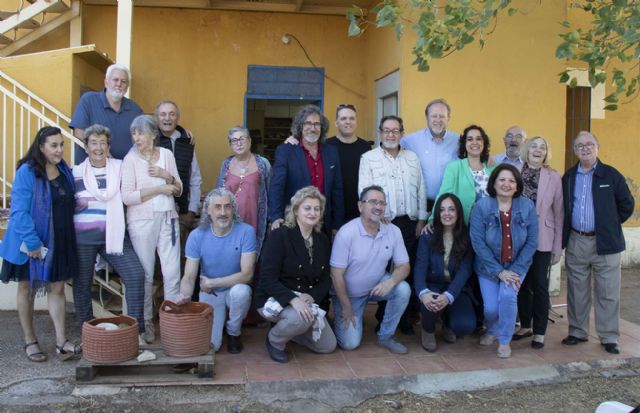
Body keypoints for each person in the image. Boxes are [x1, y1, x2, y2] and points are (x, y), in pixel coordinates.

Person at [0, 126, 81, 361]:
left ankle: (60, 341)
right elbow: (19, 213)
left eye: (61, 145)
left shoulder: (63, 169)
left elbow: (66, 200)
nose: (59, 150)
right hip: (31, 243)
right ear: (41, 147)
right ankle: (30, 340)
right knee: (27, 289)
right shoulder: (27, 171)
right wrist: (34, 243)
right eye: (54, 145)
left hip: (59, 242)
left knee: (57, 288)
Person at [561, 131, 634, 354]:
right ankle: (577, 331)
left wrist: (608, 225)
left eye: (589, 144)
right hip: (577, 240)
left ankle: (609, 336)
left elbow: (626, 204)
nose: (585, 148)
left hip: (606, 243)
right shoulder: (569, 176)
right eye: (580, 145)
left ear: (597, 147)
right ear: (574, 150)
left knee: (608, 291)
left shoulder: (611, 175)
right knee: (577, 290)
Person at [71, 124, 146, 341]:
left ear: (109, 145)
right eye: (93, 143)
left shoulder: (120, 167)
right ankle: (88, 333)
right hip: (82, 239)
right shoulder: (75, 173)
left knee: (135, 275)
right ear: (85, 147)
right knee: (82, 285)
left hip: (113, 236)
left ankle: (136, 331)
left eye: (102, 142)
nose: (98, 147)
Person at [358, 115, 426, 335]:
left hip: (409, 223)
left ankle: (403, 318)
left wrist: (422, 219)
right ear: (380, 132)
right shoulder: (368, 158)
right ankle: (382, 317)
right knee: (383, 271)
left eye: (395, 130)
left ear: (402, 133)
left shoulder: (412, 158)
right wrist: (377, 215)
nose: (390, 134)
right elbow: (364, 191)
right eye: (386, 130)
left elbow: (421, 189)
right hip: (383, 223)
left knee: (406, 268)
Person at [256, 186, 337, 363]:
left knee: (327, 346)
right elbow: (267, 279)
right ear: (295, 210)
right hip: (275, 298)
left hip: (306, 301)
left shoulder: (322, 240)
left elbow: (325, 278)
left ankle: (287, 328)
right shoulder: (280, 236)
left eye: (317, 209)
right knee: (299, 318)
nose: (312, 212)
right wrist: (293, 299)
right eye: (307, 208)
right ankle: (275, 340)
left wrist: (311, 296)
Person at [121, 115, 182, 344]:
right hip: (141, 221)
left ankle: (172, 321)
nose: (137, 138)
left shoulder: (166, 155)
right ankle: (146, 321)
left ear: (153, 134)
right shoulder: (130, 160)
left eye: (141, 133)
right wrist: (159, 190)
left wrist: (166, 176)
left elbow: (178, 189)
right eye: (133, 134)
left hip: (168, 217)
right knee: (146, 273)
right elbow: (127, 197)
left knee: (172, 270)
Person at [330, 185, 411, 354]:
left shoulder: (393, 231)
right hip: (349, 295)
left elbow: (404, 266)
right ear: (360, 206)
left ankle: (386, 336)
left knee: (402, 289)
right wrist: (346, 307)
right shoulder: (346, 233)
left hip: (376, 288)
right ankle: (338, 318)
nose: (378, 207)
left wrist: (391, 282)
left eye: (382, 203)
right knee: (350, 344)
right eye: (373, 202)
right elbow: (336, 275)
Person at [470, 164, 537, 358]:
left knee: (507, 296)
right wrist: (499, 271)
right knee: (490, 308)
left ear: (517, 185)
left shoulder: (527, 206)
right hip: (488, 267)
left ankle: (504, 340)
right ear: (494, 183)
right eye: (502, 180)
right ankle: (492, 329)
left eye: (511, 180)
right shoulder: (482, 206)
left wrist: (514, 269)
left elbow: (532, 241)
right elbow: (478, 242)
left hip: (517, 265)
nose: (506, 184)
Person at [177, 188, 255, 353]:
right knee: (212, 346)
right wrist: (185, 296)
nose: (223, 212)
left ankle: (234, 331)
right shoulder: (197, 235)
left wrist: (213, 282)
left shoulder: (246, 231)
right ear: (207, 210)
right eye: (217, 207)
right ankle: (219, 331)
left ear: (233, 209)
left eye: (227, 207)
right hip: (211, 293)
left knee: (241, 293)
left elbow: (247, 275)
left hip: (231, 288)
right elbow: (189, 276)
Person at [513, 136, 563, 349]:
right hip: (517, 237)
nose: (537, 150)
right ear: (526, 149)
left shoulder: (553, 177)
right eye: (533, 146)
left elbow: (559, 213)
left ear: (546, 153)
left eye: (542, 147)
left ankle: (540, 331)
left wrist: (558, 247)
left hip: (543, 237)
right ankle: (525, 325)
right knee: (521, 284)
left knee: (540, 285)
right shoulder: (514, 171)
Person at [268, 104, 344, 236]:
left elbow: (337, 190)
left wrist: (337, 224)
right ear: (300, 127)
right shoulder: (286, 151)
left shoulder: (331, 152)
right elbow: (276, 186)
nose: (312, 128)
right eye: (307, 123)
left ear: (322, 128)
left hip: (323, 223)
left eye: (317, 124)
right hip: (294, 221)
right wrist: (275, 216)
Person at [414, 194, 476, 352]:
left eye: (451, 209)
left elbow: (465, 270)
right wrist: (423, 293)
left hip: (457, 289)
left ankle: (449, 323)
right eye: (442, 210)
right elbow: (420, 267)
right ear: (437, 213)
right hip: (433, 285)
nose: (446, 213)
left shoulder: (467, 236)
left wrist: (449, 295)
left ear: (458, 212)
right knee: (431, 303)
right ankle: (428, 330)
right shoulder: (428, 235)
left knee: (465, 325)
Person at [154, 101, 202, 258]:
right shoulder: (150, 140)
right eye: (163, 114)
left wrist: (192, 210)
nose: (167, 118)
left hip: (182, 211)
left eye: (172, 114)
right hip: (156, 210)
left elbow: (194, 178)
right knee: (156, 258)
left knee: (177, 258)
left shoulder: (187, 141)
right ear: (156, 117)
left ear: (178, 117)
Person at [70, 64, 143, 163]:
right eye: (115, 80)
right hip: (91, 169)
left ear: (127, 87)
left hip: (123, 171)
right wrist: (105, 155)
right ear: (106, 82)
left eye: (123, 81)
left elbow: (142, 138)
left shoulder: (135, 109)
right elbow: (79, 132)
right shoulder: (88, 100)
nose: (119, 84)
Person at [216, 126, 271, 255]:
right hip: (230, 222)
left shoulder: (263, 164)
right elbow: (217, 194)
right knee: (230, 256)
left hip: (255, 221)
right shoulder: (226, 164)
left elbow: (271, 194)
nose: (238, 143)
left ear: (250, 141)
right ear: (230, 144)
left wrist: (271, 219)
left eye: (242, 139)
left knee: (251, 257)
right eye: (234, 141)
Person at [401, 98, 459, 212]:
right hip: (422, 205)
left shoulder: (459, 141)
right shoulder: (410, 140)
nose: (438, 120)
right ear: (427, 117)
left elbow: (475, 155)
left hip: (449, 205)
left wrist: (487, 159)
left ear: (448, 118)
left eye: (442, 116)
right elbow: (390, 148)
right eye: (434, 116)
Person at [433, 124, 495, 225]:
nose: (475, 142)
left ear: (483, 142)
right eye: (470, 139)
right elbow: (443, 195)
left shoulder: (493, 167)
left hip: (491, 224)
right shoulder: (454, 167)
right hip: (465, 224)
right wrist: (432, 220)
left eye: (478, 139)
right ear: (464, 144)